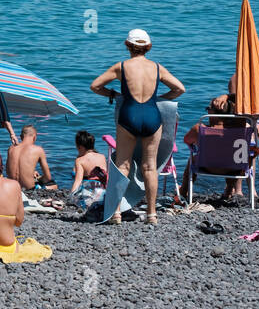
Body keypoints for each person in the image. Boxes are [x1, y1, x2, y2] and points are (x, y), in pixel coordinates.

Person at [90, 29, 185, 224]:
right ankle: (152, 214)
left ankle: (116, 212)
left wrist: (112, 95)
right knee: (150, 167)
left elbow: (95, 86)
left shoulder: (121, 67)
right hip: (152, 115)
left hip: (128, 114)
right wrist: (159, 100)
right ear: (148, 47)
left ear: (128, 45)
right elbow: (179, 89)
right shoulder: (157, 68)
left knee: (122, 165)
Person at [6, 125, 57, 192]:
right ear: (34, 137)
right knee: (53, 185)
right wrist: (39, 178)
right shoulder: (38, 150)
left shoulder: (11, 148)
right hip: (28, 190)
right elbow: (48, 177)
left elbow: (8, 171)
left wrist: (30, 172)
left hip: (13, 188)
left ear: (21, 137)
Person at [69, 130, 109, 195]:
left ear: (80, 147)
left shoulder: (80, 160)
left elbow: (78, 181)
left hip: (90, 194)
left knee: (73, 174)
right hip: (104, 191)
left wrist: (71, 196)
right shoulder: (102, 156)